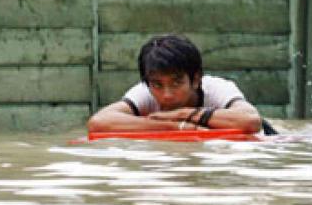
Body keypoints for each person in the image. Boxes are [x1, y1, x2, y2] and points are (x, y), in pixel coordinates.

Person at [87, 34, 276, 134]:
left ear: (195, 79)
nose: (166, 94)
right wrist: (173, 126)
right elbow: (98, 123)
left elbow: (251, 121)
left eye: (176, 83)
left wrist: (183, 114)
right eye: (158, 85)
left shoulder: (218, 89)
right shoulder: (144, 92)